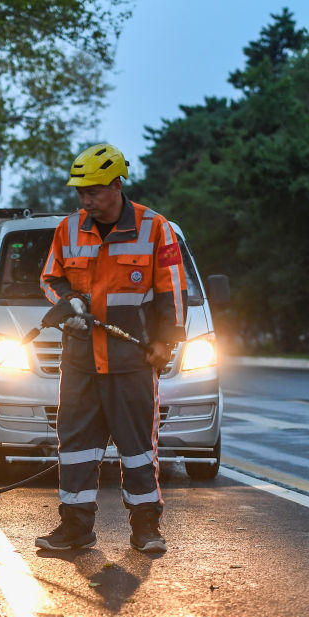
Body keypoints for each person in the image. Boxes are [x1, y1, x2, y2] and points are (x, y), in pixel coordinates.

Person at [35, 143, 188, 554]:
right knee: (76, 448)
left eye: (94, 192)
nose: (86, 200)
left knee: (138, 449)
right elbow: (50, 278)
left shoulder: (155, 228)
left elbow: (172, 288)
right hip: (81, 362)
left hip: (131, 361)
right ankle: (75, 529)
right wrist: (67, 301)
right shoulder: (68, 229)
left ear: (117, 185)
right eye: (80, 193)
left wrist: (165, 341)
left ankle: (146, 528)